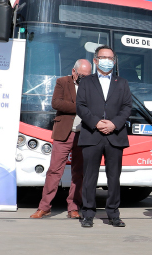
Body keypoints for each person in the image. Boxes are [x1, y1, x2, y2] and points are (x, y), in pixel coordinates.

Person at [76, 45, 132, 228]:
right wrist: (96, 122)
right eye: (103, 57)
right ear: (95, 60)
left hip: (115, 135)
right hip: (92, 134)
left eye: (110, 58)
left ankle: (113, 214)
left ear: (114, 61)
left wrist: (114, 124)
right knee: (89, 177)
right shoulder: (86, 82)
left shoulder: (122, 83)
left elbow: (127, 107)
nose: (107, 61)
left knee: (114, 178)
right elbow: (81, 106)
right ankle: (88, 214)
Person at [30, 59, 92, 219]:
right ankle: (44, 207)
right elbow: (56, 103)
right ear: (74, 71)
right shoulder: (62, 82)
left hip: (83, 133)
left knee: (79, 173)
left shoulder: (92, 86)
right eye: (82, 75)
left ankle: (73, 207)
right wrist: (81, 108)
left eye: (87, 76)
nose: (84, 78)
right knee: (54, 171)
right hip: (64, 132)